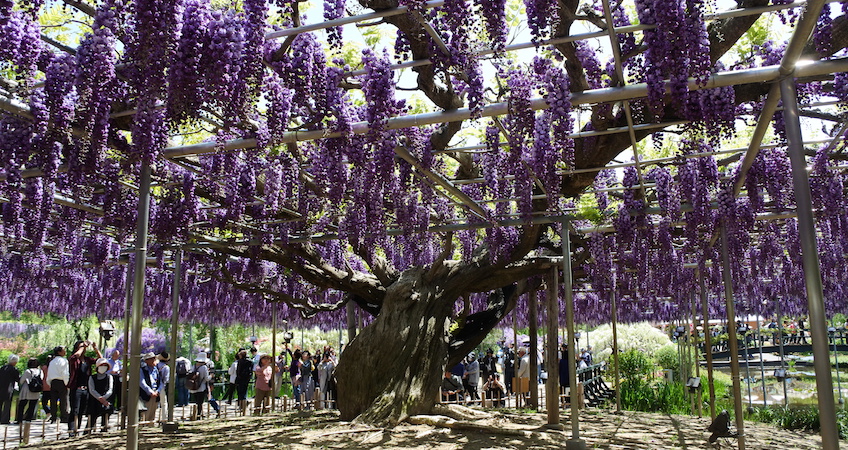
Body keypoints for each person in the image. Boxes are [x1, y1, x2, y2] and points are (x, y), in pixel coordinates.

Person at [68, 340, 102, 434]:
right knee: (75, 410)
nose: (84, 348)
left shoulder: (87, 360)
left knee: (82, 411)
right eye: (81, 347)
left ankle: (78, 429)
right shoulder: (73, 359)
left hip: (86, 389)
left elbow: (101, 361)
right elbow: (75, 356)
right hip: (76, 389)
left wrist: (96, 349)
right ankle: (72, 432)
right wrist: (82, 347)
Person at [87, 358, 114, 433]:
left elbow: (110, 389)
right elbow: (92, 390)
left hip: (106, 400)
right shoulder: (92, 377)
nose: (103, 367)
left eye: (105, 365)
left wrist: (104, 398)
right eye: (102, 365)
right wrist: (99, 398)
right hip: (94, 401)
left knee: (105, 418)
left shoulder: (109, 377)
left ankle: (104, 430)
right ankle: (88, 432)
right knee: (91, 419)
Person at [46, 346, 70, 425]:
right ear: (59, 352)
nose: (65, 352)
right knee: (63, 400)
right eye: (63, 350)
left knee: (53, 400)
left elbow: (49, 373)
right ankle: (64, 417)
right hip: (61, 381)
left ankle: (53, 417)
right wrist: (66, 383)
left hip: (53, 382)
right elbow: (65, 373)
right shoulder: (64, 361)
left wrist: (49, 382)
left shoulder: (52, 362)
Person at [17, 358, 41, 423]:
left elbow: (21, 381)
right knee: (32, 406)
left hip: (27, 390)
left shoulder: (28, 371)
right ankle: (28, 420)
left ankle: (19, 420)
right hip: (36, 390)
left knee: (22, 405)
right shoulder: (40, 371)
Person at [138, 352, 160, 425]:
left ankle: (151, 427)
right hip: (147, 394)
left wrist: (157, 391)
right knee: (146, 413)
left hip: (156, 393)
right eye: (151, 359)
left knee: (153, 413)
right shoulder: (142, 370)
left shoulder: (156, 369)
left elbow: (160, 382)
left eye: (154, 358)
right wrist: (150, 392)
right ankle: (144, 428)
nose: (153, 360)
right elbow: (142, 382)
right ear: (146, 361)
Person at [188, 352, 210, 419]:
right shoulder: (204, 367)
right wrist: (211, 376)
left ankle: (197, 414)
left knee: (197, 402)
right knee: (200, 402)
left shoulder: (194, 366)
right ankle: (198, 415)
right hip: (201, 387)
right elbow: (206, 378)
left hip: (194, 387)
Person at [0, 354, 19, 424]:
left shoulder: (2, 368)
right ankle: (4, 420)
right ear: (14, 362)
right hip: (8, 389)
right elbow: (18, 379)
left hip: (0, 388)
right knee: (7, 405)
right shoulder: (14, 369)